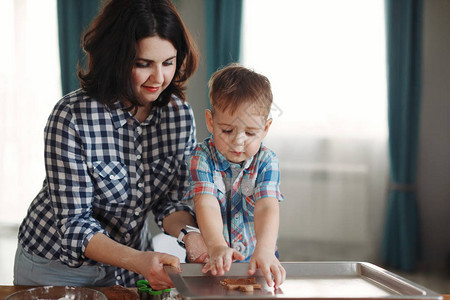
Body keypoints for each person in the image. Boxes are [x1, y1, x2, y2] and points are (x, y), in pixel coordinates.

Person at [13, 0, 207, 289]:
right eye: (143, 64)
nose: (159, 78)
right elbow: (75, 224)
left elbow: (171, 203)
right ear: (116, 58)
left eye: (168, 62)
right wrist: (138, 260)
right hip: (58, 266)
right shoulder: (71, 116)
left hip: (131, 265)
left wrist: (191, 235)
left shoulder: (178, 115)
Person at [184, 63, 286, 288]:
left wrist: (266, 249)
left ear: (266, 128)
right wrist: (217, 246)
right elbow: (206, 204)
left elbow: (267, 206)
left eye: (250, 133)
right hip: (211, 258)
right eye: (227, 130)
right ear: (211, 122)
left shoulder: (267, 161)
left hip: (257, 259)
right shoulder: (201, 157)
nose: (238, 142)